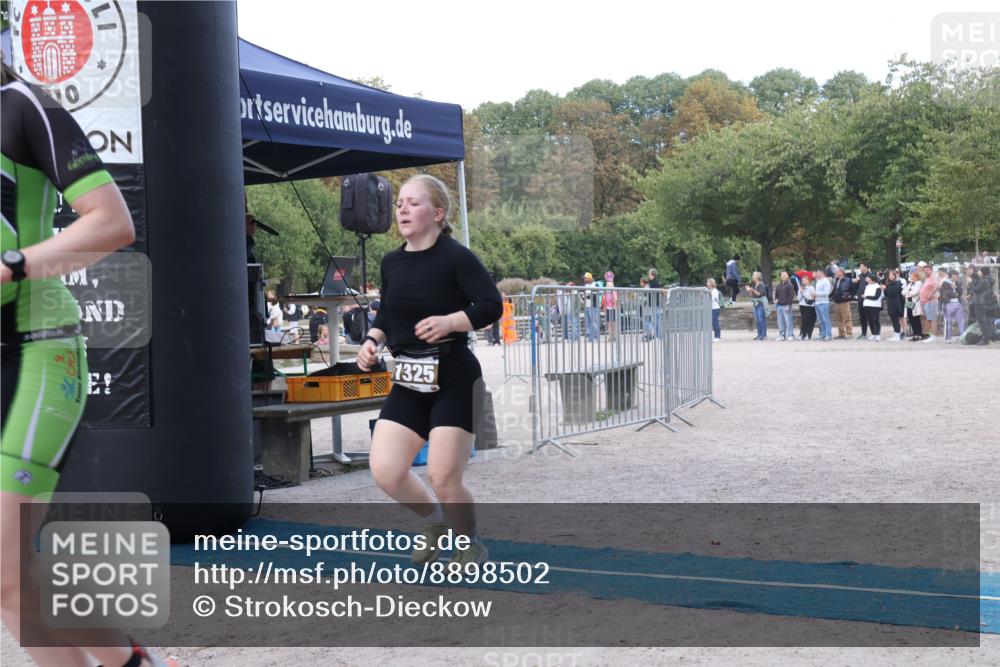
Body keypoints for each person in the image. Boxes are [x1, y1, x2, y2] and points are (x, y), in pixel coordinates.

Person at [1, 62, 180, 667]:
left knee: (4, 566)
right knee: (10, 575)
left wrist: (15, 262)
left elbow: (112, 222)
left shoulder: (22, 104)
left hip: (37, 350)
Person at [356, 174, 502, 566]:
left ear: (437, 213)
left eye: (413, 203)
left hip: (455, 376)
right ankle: (434, 523)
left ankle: (471, 542)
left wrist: (451, 322)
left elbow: (491, 305)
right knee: (386, 470)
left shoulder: (456, 256)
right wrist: (372, 342)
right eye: (399, 202)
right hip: (409, 378)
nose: (402, 208)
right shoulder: (391, 261)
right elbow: (386, 313)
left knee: (443, 477)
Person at [938, 268, 966, 344]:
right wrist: (949, 299)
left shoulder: (957, 283)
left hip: (958, 304)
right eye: (956, 275)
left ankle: (963, 337)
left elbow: (960, 292)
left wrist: (956, 288)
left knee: (961, 320)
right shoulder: (945, 283)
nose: (957, 276)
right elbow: (942, 294)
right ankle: (948, 338)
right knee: (948, 321)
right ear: (952, 275)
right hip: (949, 304)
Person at [970, 267, 995, 346]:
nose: (978, 272)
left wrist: (970, 283)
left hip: (980, 303)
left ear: (983, 272)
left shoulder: (984, 281)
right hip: (983, 303)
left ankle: (986, 339)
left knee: (982, 321)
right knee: (984, 321)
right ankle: (987, 338)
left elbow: (975, 289)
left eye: (980, 271)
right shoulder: (986, 280)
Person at [831, 268, 854, 339]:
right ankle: (841, 334)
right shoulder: (837, 280)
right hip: (836, 303)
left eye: (837, 272)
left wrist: (848, 296)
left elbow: (853, 291)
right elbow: (834, 290)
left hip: (844, 303)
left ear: (841, 272)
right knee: (839, 320)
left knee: (847, 318)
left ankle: (849, 334)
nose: (836, 273)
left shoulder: (848, 280)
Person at [883, 269, 905, 341]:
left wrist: (885, 288)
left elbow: (892, 293)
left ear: (895, 276)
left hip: (896, 304)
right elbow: (886, 294)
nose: (891, 276)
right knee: (893, 320)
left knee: (896, 320)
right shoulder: (889, 284)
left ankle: (897, 335)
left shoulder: (897, 283)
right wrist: (885, 289)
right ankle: (896, 334)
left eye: (892, 275)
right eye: (889, 275)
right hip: (891, 304)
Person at [773, 271, 796, 341]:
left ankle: (790, 335)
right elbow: (776, 295)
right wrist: (776, 300)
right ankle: (782, 335)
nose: (783, 276)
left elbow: (791, 296)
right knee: (780, 322)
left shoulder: (790, 285)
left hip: (786, 305)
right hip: (779, 306)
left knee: (788, 321)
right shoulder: (778, 285)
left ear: (787, 276)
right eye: (782, 275)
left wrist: (789, 305)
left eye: (784, 275)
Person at [903, 268, 924, 341]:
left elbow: (915, 292)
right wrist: (908, 293)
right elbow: (903, 292)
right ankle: (915, 335)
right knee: (911, 319)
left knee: (916, 319)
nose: (911, 277)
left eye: (913, 276)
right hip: (909, 303)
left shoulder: (919, 283)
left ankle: (919, 334)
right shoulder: (910, 283)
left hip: (915, 302)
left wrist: (908, 293)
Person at [861, 273, 884, 341]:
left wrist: (866, 297)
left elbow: (876, 297)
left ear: (872, 279)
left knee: (875, 320)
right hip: (866, 305)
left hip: (875, 306)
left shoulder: (878, 287)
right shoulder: (867, 286)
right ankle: (873, 334)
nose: (866, 279)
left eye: (868, 277)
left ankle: (878, 334)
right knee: (870, 320)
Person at [919, 265, 939, 342]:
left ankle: (933, 336)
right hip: (925, 302)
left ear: (931, 271)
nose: (926, 271)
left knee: (932, 319)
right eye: (925, 270)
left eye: (928, 270)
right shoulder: (927, 279)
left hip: (931, 302)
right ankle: (931, 335)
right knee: (929, 319)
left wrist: (930, 294)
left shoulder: (933, 278)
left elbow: (937, 286)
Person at [747, 271, 769, 340]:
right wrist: (749, 291)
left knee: (761, 319)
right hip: (755, 304)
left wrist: (752, 290)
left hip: (761, 304)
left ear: (757, 277)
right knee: (757, 320)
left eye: (754, 275)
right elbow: (752, 295)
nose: (752, 277)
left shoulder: (761, 284)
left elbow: (760, 294)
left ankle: (764, 335)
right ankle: (759, 334)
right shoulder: (754, 285)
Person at [851, 263, 870, 339]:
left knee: (870, 317)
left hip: (868, 299)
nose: (860, 267)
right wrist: (855, 282)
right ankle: (863, 333)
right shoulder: (860, 276)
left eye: (861, 266)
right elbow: (855, 287)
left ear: (866, 267)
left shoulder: (870, 275)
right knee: (862, 317)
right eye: (859, 266)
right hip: (860, 299)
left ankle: (875, 333)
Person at [813, 269, 833, 341]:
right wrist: (814, 294)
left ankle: (828, 335)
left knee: (825, 319)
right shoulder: (818, 281)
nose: (816, 274)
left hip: (823, 303)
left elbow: (827, 293)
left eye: (817, 272)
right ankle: (823, 334)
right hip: (817, 303)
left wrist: (816, 294)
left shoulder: (826, 281)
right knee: (820, 320)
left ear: (821, 273)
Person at [582, 272, 600, 341]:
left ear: (589, 278)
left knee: (594, 322)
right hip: (586, 305)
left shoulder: (595, 284)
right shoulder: (585, 285)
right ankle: (590, 336)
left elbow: (596, 295)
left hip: (593, 305)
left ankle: (595, 336)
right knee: (588, 322)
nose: (584, 279)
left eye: (585, 278)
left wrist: (587, 296)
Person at [601, 271, 619, 341]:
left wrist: (613, 295)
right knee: (609, 323)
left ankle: (614, 335)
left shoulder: (614, 292)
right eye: (608, 285)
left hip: (613, 308)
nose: (608, 286)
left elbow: (615, 301)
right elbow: (604, 301)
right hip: (608, 308)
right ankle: (610, 336)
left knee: (613, 323)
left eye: (610, 285)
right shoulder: (605, 292)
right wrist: (604, 307)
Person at [798, 274, 817, 340]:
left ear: (808, 281)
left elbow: (810, 298)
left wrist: (803, 292)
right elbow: (798, 298)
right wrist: (800, 292)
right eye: (802, 280)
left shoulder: (811, 288)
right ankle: (802, 333)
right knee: (803, 320)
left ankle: (807, 334)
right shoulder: (801, 287)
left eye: (805, 280)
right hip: (802, 305)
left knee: (807, 320)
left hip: (809, 306)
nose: (803, 282)